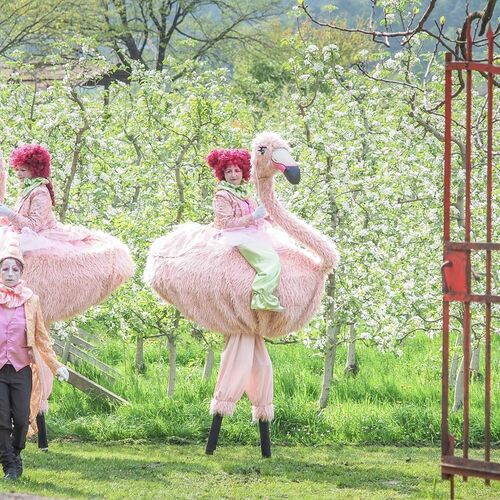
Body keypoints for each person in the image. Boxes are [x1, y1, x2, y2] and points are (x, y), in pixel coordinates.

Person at [0, 235, 68, 480]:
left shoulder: (31, 300)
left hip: (21, 369)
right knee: (1, 420)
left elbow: (41, 337)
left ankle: (15, 452)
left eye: (14, 269)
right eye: (5, 269)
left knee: (21, 418)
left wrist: (56, 365)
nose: (9, 273)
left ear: (21, 272)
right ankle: (9, 464)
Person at [208, 148, 284, 312]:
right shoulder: (223, 195)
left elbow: (256, 214)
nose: (233, 174)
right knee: (270, 260)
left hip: (253, 231)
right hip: (236, 235)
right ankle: (261, 297)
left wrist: (272, 215)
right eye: (228, 171)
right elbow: (225, 222)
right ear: (223, 174)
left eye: (237, 170)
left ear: (243, 172)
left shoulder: (244, 192)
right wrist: (253, 217)